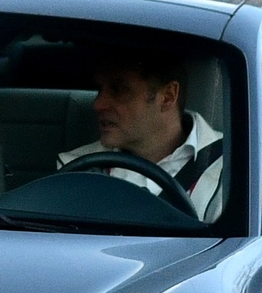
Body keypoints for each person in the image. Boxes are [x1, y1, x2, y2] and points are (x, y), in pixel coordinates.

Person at [56, 44, 228, 223]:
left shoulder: (235, 171)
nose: (98, 104)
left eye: (119, 90)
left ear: (168, 96)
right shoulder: (77, 168)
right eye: (100, 89)